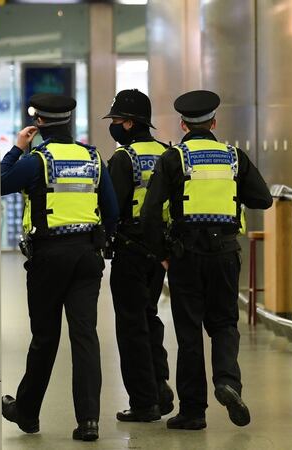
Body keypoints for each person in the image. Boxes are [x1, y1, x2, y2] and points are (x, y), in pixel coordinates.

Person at [140, 90, 272, 430]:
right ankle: (228, 382)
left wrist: (163, 255)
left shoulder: (174, 159)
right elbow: (263, 198)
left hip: (186, 256)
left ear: (183, 125)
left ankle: (193, 411)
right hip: (226, 254)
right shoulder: (233, 157)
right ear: (214, 122)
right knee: (225, 324)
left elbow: (151, 214)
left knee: (189, 333)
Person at [0, 94, 118, 442]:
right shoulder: (93, 157)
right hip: (86, 257)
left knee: (45, 337)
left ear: (38, 123)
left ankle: (28, 412)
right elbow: (110, 211)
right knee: (85, 337)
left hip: (49, 258)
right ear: (69, 120)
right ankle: (89, 421)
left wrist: (17, 148)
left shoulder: (37, 160)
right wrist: (98, 243)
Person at [103, 89, 174, 423]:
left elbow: (112, 208)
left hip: (130, 250)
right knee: (150, 317)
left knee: (131, 326)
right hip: (159, 250)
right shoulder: (168, 153)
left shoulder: (124, 158)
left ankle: (144, 402)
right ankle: (160, 388)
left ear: (130, 123)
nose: (114, 125)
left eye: (116, 120)